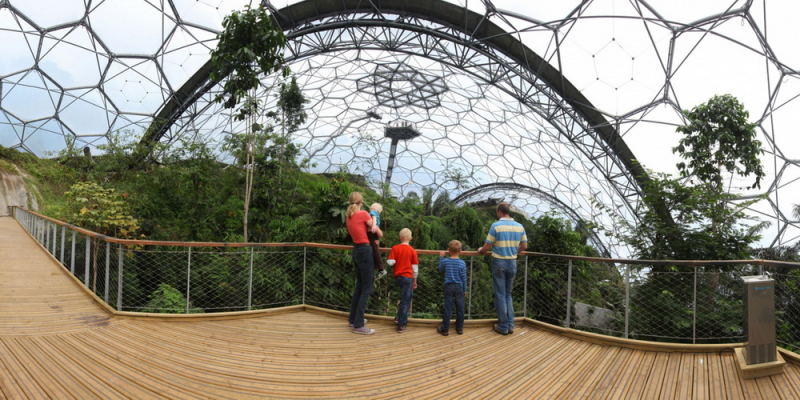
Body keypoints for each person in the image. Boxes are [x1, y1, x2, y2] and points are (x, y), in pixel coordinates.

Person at [477, 202, 527, 335]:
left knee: (500, 295)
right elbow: (524, 246)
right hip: (512, 263)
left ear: (499, 212)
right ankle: (510, 325)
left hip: (499, 262)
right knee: (507, 294)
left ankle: (503, 327)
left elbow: (486, 247)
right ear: (508, 211)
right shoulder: (519, 226)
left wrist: (481, 250)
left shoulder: (496, 226)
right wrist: (514, 252)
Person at [345, 192, 376, 334]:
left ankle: (353, 320)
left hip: (356, 250)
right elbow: (374, 229)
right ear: (361, 202)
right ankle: (358, 325)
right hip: (364, 250)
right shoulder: (363, 214)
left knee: (359, 286)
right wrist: (374, 218)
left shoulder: (348, 216)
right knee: (367, 287)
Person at [386, 228, 418, 333]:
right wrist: (415, 280)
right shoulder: (412, 250)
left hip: (398, 277)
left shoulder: (395, 248)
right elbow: (415, 268)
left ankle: (398, 316)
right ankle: (401, 323)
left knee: (407, 297)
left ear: (400, 238)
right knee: (406, 300)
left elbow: (390, 262)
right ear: (410, 238)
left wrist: (396, 260)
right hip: (408, 277)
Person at [437, 240, 468, 336]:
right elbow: (464, 278)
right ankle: (459, 328)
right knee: (460, 308)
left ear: (449, 250)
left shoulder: (446, 261)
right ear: (460, 251)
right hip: (459, 286)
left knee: (448, 308)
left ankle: (445, 329)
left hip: (448, 286)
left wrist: (441, 257)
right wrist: (465, 289)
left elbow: (440, 269)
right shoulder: (462, 263)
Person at [368, 203, 387, 280]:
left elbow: (374, 218)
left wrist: (373, 226)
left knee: (375, 251)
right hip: (374, 234)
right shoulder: (377, 214)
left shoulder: (373, 212)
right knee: (374, 250)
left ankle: (381, 269)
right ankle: (377, 268)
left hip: (371, 233)